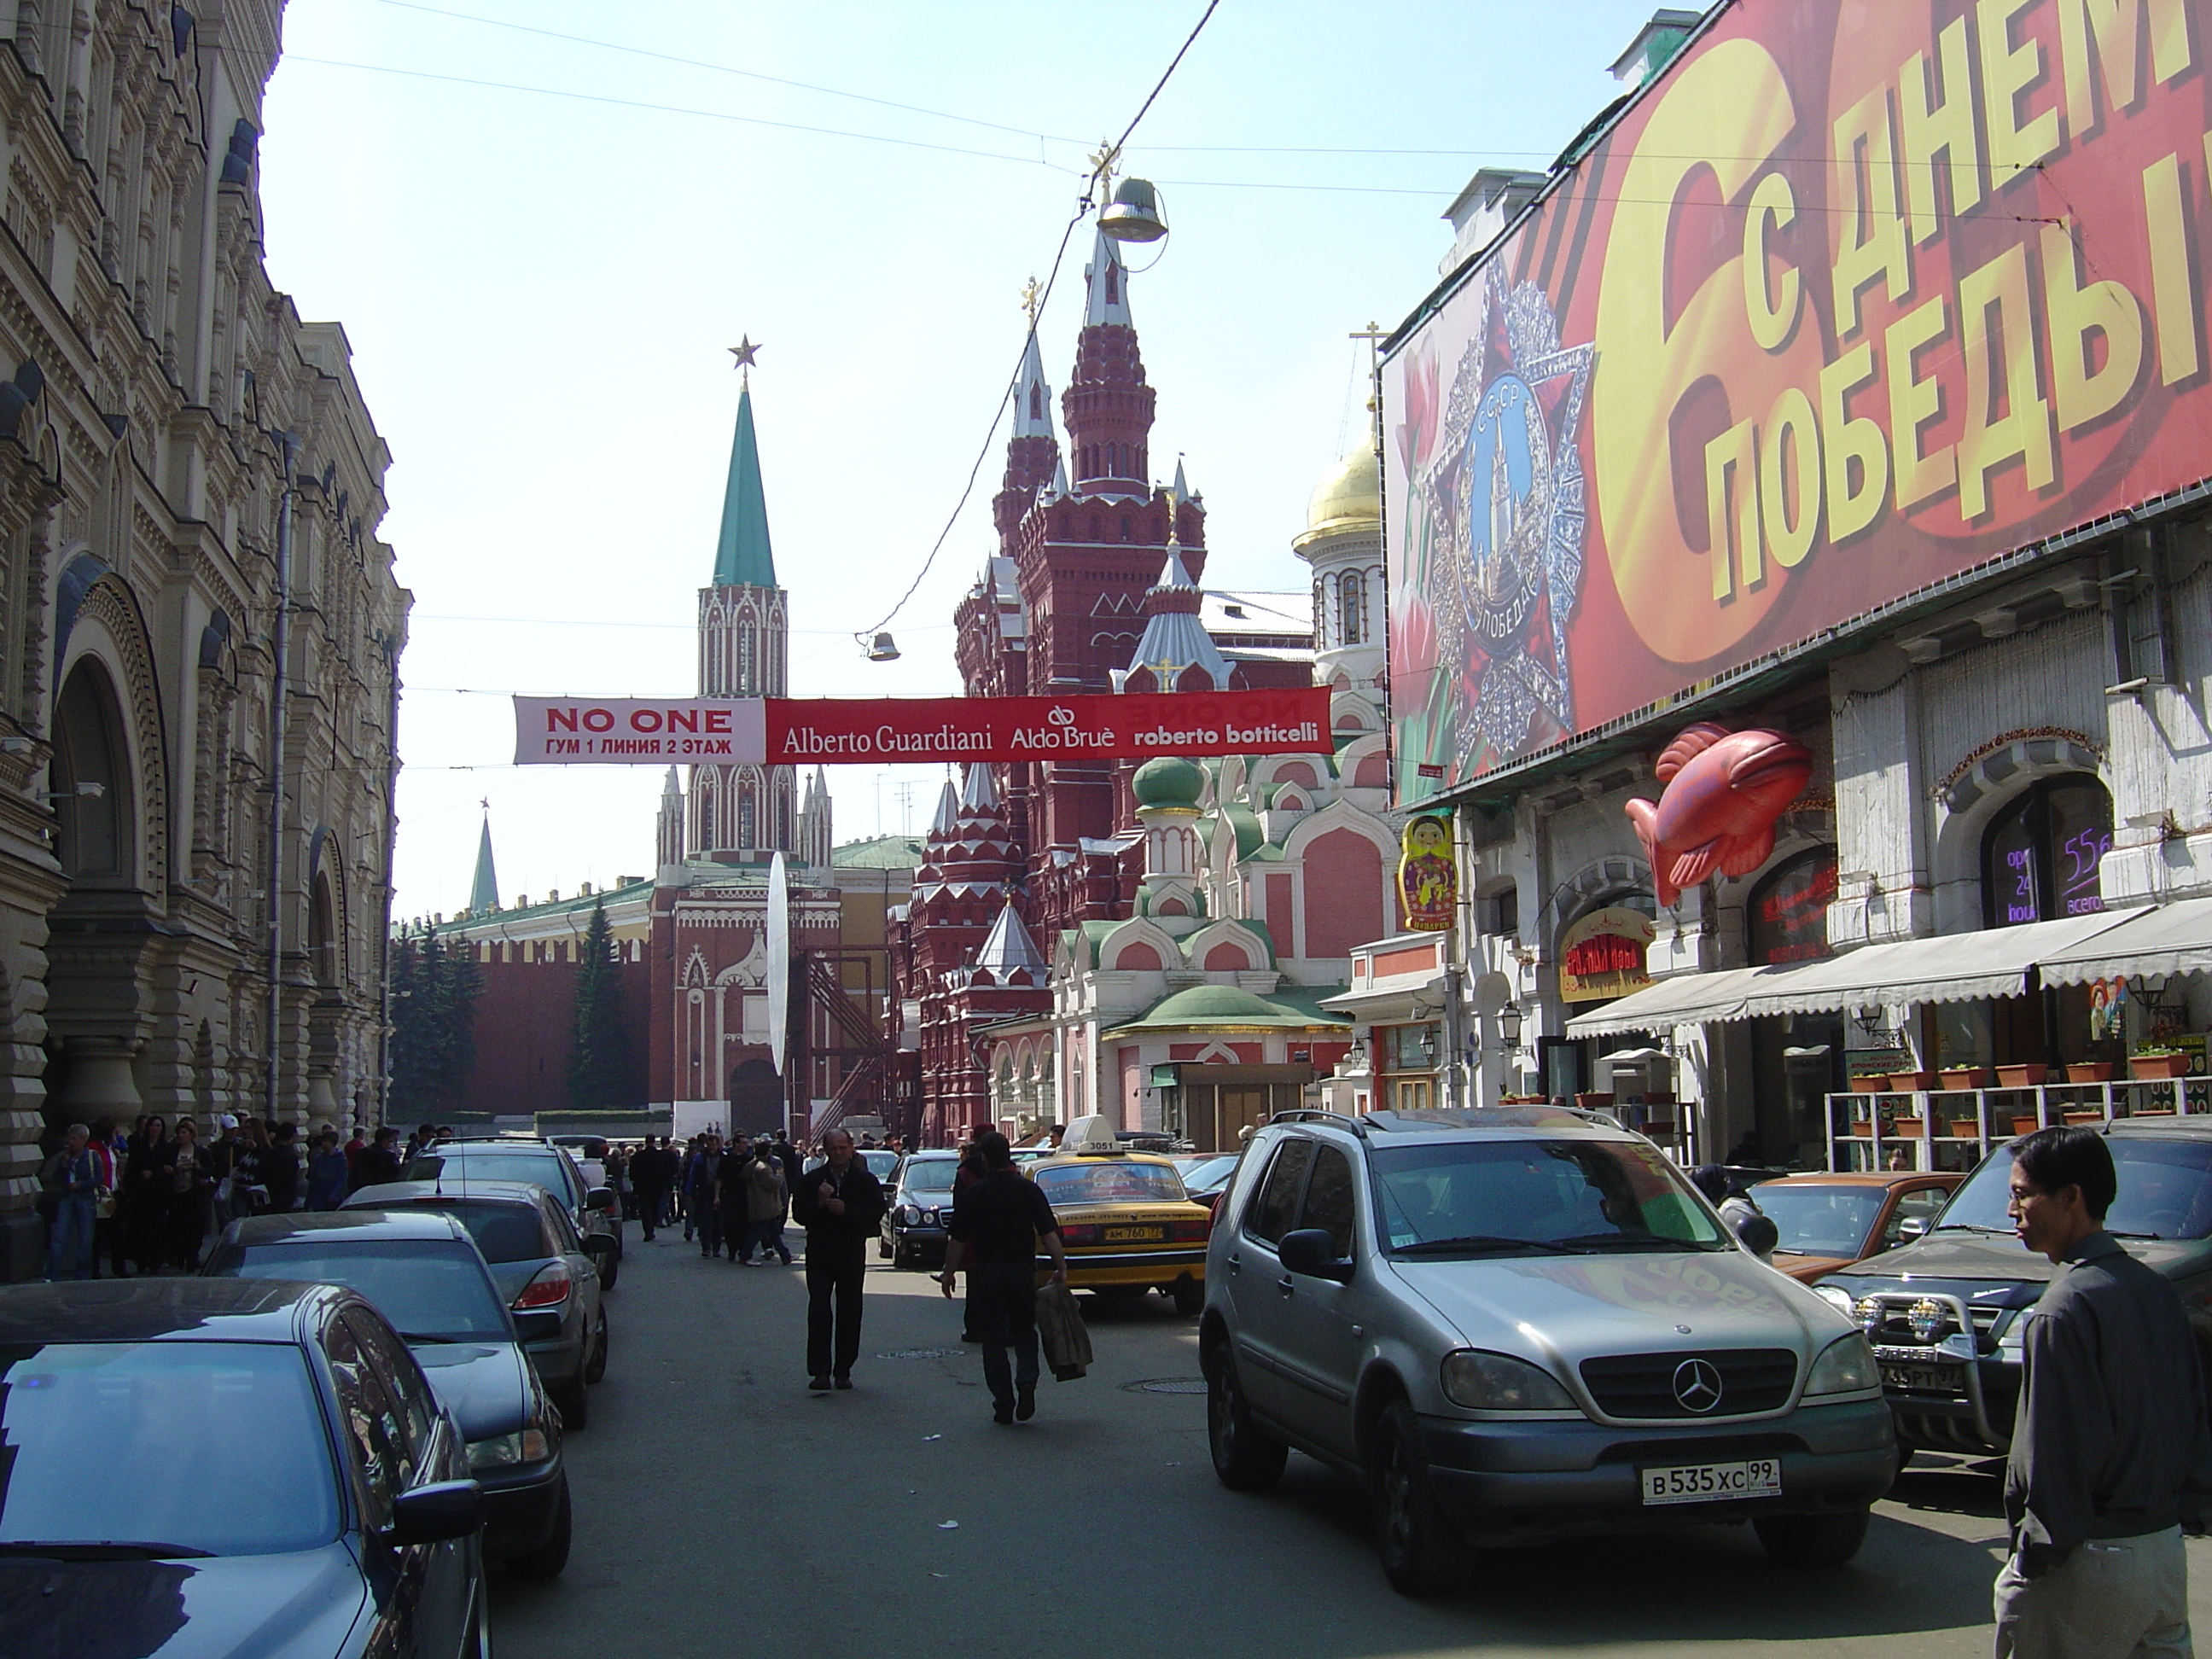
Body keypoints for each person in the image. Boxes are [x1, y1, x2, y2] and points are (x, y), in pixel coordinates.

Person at [1994, 1126, 2212, 1659]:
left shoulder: (2061, 1309)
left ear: (2072, 1198)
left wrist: (2035, 1555)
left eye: (2023, 1195)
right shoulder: (2154, 1289)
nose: (2011, 1211)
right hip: (2161, 1550)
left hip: (2087, 1560)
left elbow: (2054, 1454)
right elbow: (2193, 1415)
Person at [939, 1129, 1068, 1424]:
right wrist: (1061, 1266)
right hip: (1022, 1270)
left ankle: (1003, 1401)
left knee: (993, 1340)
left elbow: (957, 1238)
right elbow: (1047, 1232)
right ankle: (1026, 1382)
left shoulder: (975, 1193)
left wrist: (948, 1273)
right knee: (1024, 1330)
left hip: (986, 1273)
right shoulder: (1027, 1190)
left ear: (984, 1159)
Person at [790, 1129, 885, 1391]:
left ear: (851, 1148)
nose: (838, 1153)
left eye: (843, 1148)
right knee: (819, 1308)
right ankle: (820, 1371)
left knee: (850, 1310)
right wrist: (820, 1203)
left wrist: (847, 1210)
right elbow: (799, 1215)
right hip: (820, 1252)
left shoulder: (864, 1180)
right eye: (833, 1149)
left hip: (850, 1252)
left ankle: (843, 1369)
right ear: (825, 1151)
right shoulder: (813, 1180)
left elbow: (876, 1211)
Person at [40, 1123, 98, 1281]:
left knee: (85, 1240)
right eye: (70, 1138)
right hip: (67, 1199)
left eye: (74, 1139)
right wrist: (64, 1163)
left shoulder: (92, 1156)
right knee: (59, 1238)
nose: (71, 1142)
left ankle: (82, 1275)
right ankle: (51, 1274)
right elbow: (57, 1177)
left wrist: (80, 1185)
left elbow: (98, 1178)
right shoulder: (66, 1157)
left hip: (85, 1199)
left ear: (83, 1140)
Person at [123, 1115, 175, 1275]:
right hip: (141, 1193)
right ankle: (141, 1261)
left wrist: (155, 1174)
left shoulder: (166, 1147)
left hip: (158, 1194)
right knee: (140, 1228)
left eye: (158, 1126)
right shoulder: (139, 1146)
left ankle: (155, 1262)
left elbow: (169, 1170)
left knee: (157, 1228)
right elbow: (131, 1168)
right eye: (152, 1126)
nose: (155, 1129)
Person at [167, 1118, 212, 1271]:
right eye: (179, 1133)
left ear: (191, 1134)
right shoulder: (172, 1150)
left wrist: (199, 1168)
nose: (181, 1136)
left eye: (184, 1132)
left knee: (195, 1226)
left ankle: (192, 1256)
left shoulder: (201, 1151)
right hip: (176, 1193)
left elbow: (210, 1171)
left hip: (194, 1193)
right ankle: (181, 1255)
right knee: (178, 1226)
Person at [742, 1146, 791, 1265]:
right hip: (766, 1204)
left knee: (773, 1232)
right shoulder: (763, 1168)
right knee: (759, 1232)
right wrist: (779, 1176)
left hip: (759, 1202)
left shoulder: (751, 1165)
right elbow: (773, 1185)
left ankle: (785, 1255)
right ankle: (745, 1255)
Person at [689, 1133, 725, 1258]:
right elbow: (693, 1174)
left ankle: (716, 1247)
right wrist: (689, 1190)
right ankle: (706, 1247)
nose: (712, 1148)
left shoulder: (723, 1157)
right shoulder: (700, 1158)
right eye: (710, 1145)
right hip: (705, 1190)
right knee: (706, 1220)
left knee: (718, 1221)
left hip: (720, 1192)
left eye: (714, 1145)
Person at [631, 1135, 670, 1242]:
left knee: (645, 1209)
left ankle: (648, 1230)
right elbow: (666, 1172)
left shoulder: (637, 1157)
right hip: (657, 1186)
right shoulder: (661, 1156)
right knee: (655, 1207)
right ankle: (652, 1224)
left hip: (642, 1186)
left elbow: (633, 1174)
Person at [262, 1121, 303, 1214]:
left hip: (268, 1194)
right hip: (284, 1196)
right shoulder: (290, 1153)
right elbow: (290, 1176)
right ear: (292, 1136)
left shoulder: (271, 1151)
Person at [306, 1129, 351, 1210]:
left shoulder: (341, 1159)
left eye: (326, 1141)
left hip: (332, 1199)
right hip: (319, 1197)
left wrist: (334, 1195)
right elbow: (313, 1179)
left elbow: (342, 1179)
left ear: (332, 1143)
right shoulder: (318, 1159)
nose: (323, 1144)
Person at [352, 1124, 404, 1190]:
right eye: (390, 1141)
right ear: (385, 1140)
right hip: (383, 1189)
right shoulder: (388, 1155)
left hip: (363, 1189)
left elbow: (355, 1174)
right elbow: (397, 1173)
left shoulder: (361, 1152)